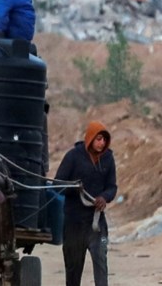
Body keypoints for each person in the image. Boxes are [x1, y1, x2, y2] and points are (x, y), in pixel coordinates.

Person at [54, 121, 118, 286]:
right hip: (74, 224)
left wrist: (104, 197)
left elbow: (112, 187)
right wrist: (75, 187)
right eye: (98, 139)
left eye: (104, 139)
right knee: (73, 270)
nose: (101, 143)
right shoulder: (73, 156)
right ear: (90, 139)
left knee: (101, 259)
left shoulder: (108, 158)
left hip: (97, 224)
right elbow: (57, 185)